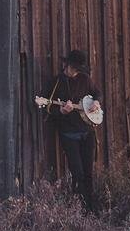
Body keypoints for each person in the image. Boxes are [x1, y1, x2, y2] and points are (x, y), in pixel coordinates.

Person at [42, 49, 103, 212]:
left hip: (87, 132)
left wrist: (96, 102)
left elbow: (97, 93)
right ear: (66, 65)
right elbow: (45, 105)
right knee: (78, 173)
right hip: (69, 134)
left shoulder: (85, 79)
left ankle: (91, 208)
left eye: (76, 69)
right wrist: (61, 111)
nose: (72, 71)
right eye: (71, 68)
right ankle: (81, 210)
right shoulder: (57, 82)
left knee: (89, 172)